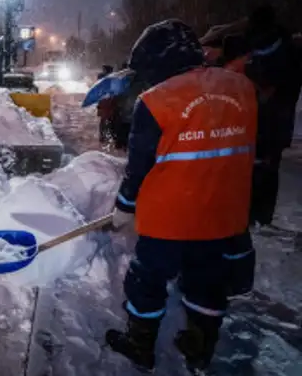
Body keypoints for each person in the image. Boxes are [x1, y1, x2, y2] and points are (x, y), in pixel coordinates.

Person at [106, 19, 258, 372]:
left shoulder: (156, 101)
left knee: (147, 281)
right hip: (223, 216)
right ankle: (200, 347)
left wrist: (124, 207)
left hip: (168, 221)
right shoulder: (242, 88)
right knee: (207, 282)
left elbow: (138, 169)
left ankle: (140, 345)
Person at [242, 6, 302, 228]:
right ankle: (260, 216)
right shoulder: (284, 46)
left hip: (268, 118)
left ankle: (257, 216)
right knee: (265, 166)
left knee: (261, 166)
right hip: (273, 119)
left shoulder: (275, 49)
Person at [96, 65, 115, 143]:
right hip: (109, 100)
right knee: (109, 118)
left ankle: (103, 136)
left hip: (103, 100)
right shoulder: (112, 78)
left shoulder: (101, 77)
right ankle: (107, 135)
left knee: (103, 119)